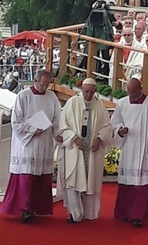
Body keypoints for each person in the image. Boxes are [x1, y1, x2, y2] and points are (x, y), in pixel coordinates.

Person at [0, 69, 61, 223]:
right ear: (35, 81)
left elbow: (57, 118)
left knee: (40, 176)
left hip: (45, 140)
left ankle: (38, 207)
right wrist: (33, 130)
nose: (44, 88)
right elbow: (16, 121)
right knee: (27, 176)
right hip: (28, 143)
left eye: (47, 85)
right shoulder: (23, 96)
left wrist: (57, 133)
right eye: (42, 85)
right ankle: (25, 209)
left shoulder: (51, 96)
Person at [111, 78, 148, 227]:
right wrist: (120, 130)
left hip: (144, 149)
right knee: (127, 182)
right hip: (128, 147)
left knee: (141, 184)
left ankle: (138, 216)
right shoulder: (122, 103)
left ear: (141, 89)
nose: (132, 95)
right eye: (129, 92)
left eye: (134, 92)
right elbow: (115, 122)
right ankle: (124, 213)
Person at [58, 77, 112, 223]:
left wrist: (99, 138)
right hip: (75, 149)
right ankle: (74, 213)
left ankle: (90, 213)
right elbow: (63, 125)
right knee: (73, 181)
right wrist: (74, 138)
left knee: (91, 181)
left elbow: (107, 126)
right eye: (86, 92)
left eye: (91, 92)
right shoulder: (72, 103)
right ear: (82, 89)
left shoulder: (100, 105)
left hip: (92, 151)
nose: (88, 95)